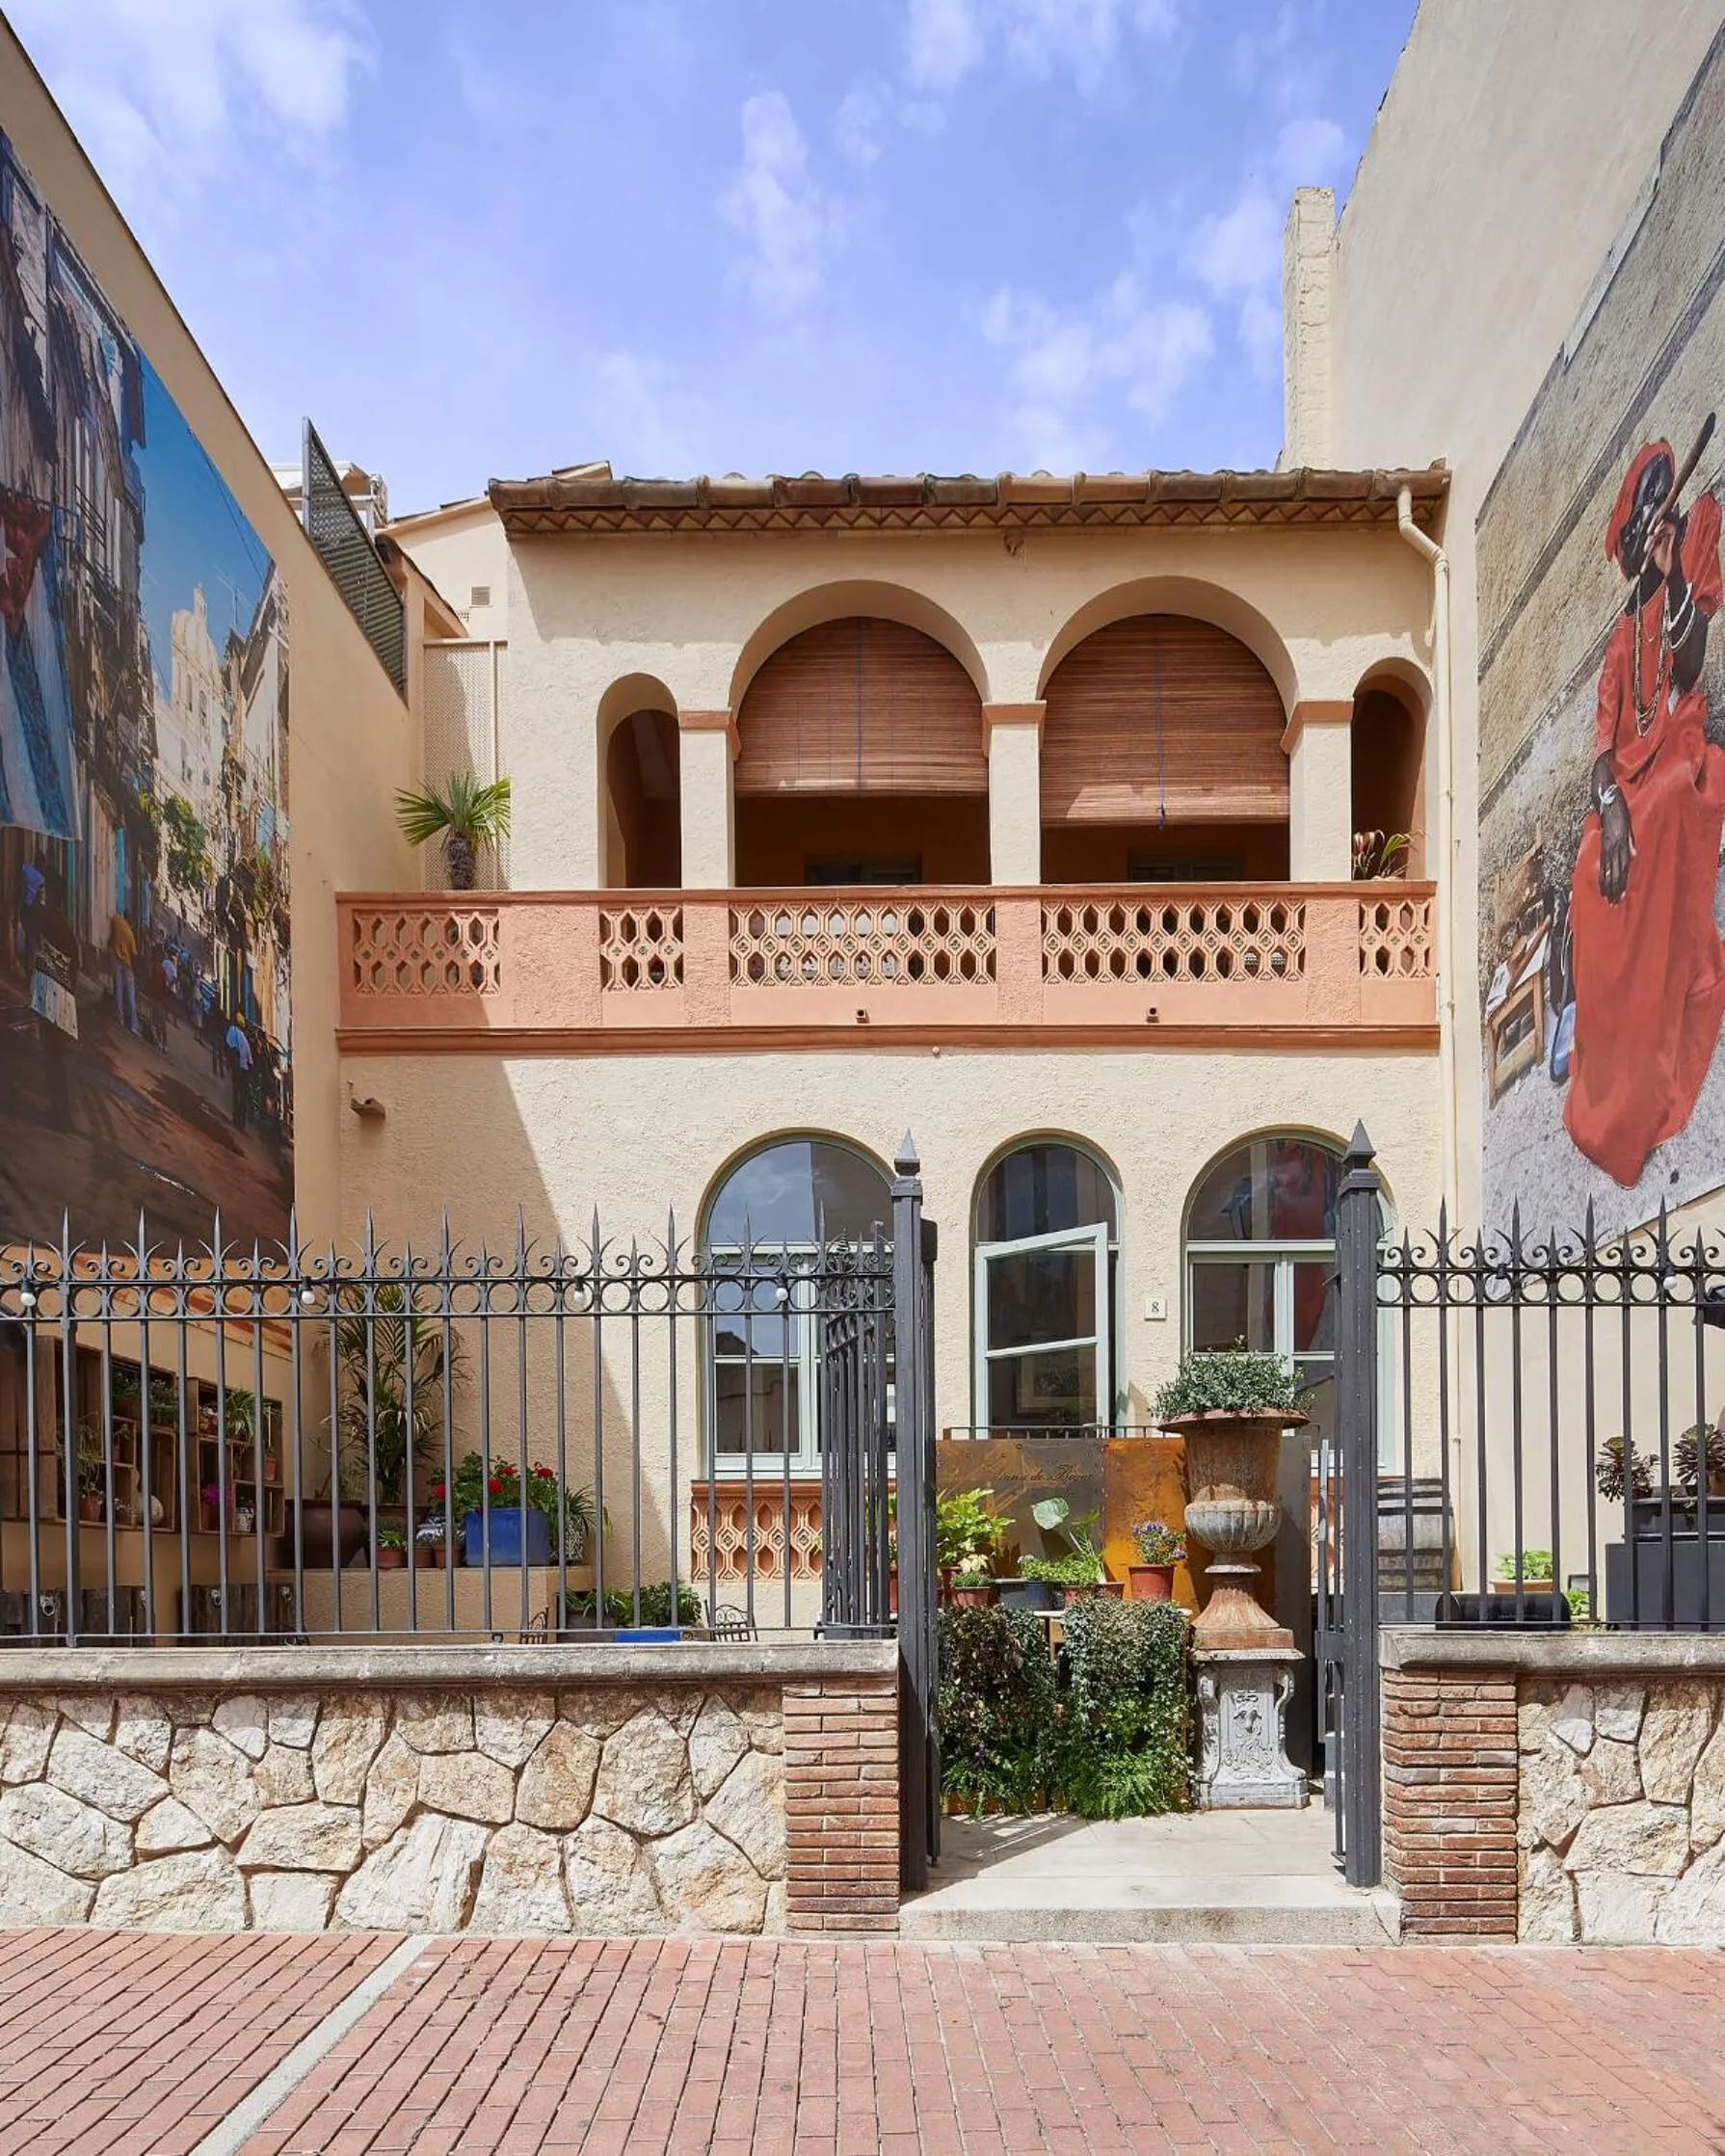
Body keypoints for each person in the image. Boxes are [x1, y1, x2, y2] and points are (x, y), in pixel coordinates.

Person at [1564, 436, 1725, 1186]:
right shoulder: (1617, 639)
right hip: (1627, 787)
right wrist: (1609, 809)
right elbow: (1603, 750)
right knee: (1588, 869)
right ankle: (1611, 1062)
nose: (1649, 535)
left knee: (1661, 807)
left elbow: (1689, 665)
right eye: (1642, 529)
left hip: (1681, 761)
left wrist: (1676, 571)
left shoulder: (1688, 560)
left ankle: (1649, 1068)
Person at [109, 908, 138, 1033]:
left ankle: (119, 1018)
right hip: (127, 964)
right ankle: (133, 1026)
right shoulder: (130, 934)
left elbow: (111, 934)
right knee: (131, 996)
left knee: (118, 990)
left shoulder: (117, 920)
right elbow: (134, 954)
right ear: (130, 920)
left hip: (116, 960)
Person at [225, 1011, 253, 1131]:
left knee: (236, 1093)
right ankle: (242, 1123)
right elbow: (250, 1060)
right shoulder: (245, 1039)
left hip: (237, 1068)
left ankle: (236, 1118)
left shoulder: (232, 1030)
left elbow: (228, 1044)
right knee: (243, 1097)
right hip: (245, 1071)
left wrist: (228, 1061)